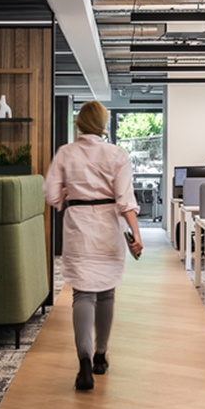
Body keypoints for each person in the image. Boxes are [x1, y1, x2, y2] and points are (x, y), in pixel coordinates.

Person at [44, 101, 142, 391]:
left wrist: (65, 198)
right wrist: (136, 235)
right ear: (103, 124)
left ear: (79, 123)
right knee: (107, 292)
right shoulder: (117, 154)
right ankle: (101, 356)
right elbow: (125, 199)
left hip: (78, 226)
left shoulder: (65, 153)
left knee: (83, 295)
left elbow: (50, 193)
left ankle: (83, 362)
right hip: (109, 228)